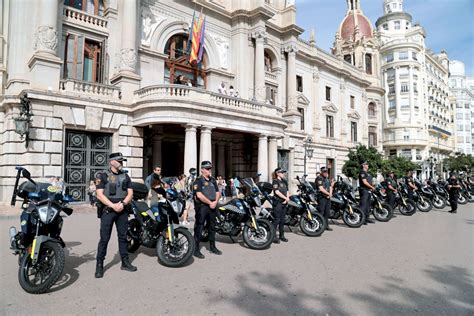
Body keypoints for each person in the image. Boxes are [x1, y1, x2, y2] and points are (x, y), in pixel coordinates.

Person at [95, 152, 136, 278]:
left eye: (122, 161)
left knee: (123, 237)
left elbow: (130, 194)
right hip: (108, 211)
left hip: (122, 210)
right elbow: (99, 194)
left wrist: (123, 204)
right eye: (119, 161)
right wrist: (113, 206)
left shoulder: (126, 176)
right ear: (111, 162)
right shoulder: (102, 175)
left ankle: (125, 262)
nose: (121, 163)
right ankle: (99, 265)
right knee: (104, 239)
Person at [193, 161, 222, 259]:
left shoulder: (213, 180)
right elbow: (199, 195)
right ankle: (195, 249)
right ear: (202, 170)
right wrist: (210, 203)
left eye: (210, 168)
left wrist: (215, 202)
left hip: (213, 206)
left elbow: (218, 192)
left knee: (212, 227)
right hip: (202, 207)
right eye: (207, 168)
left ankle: (212, 247)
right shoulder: (198, 181)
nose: (209, 170)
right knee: (199, 227)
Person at [272, 167, 289, 243]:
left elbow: (287, 191)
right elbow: (277, 192)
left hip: (284, 203)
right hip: (278, 203)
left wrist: (287, 198)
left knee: (282, 220)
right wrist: (285, 198)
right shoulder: (275, 181)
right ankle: (273, 237)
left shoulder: (285, 181)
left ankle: (282, 236)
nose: (283, 174)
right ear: (277, 173)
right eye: (282, 173)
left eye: (283, 172)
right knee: (277, 220)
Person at [315, 167, 334, 231]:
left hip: (328, 198)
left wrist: (330, 194)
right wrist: (328, 194)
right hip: (322, 197)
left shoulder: (327, 179)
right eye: (324, 172)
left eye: (326, 172)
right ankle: (319, 226)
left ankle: (326, 225)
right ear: (321, 172)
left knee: (327, 212)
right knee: (321, 212)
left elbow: (330, 187)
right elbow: (321, 188)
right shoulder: (319, 178)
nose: (326, 173)